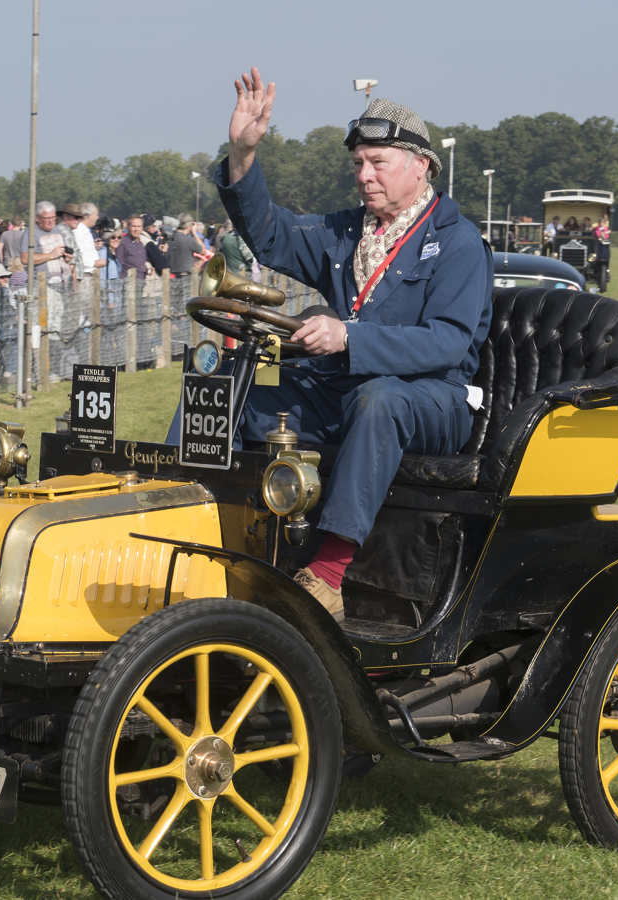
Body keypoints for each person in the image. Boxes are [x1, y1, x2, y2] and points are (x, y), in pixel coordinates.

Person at [192, 69, 492, 621]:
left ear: (421, 165)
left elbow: (447, 343)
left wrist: (346, 336)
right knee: (223, 391)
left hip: (433, 400)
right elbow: (271, 233)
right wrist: (242, 156)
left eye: (378, 162)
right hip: (344, 388)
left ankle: (327, 575)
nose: (364, 175)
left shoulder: (458, 242)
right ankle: (184, 525)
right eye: (358, 164)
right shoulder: (348, 232)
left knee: (380, 399)